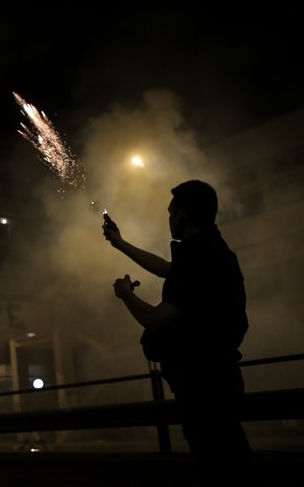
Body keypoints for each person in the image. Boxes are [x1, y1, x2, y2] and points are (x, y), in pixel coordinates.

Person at [103, 179, 253, 484]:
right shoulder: (211, 249)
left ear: (182, 216)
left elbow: (158, 321)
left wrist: (125, 295)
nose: (169, 218)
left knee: (220, 464)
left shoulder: (201, 259)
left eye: (171, 213)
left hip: (203, 382)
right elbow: (165, 268)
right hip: (217, 377)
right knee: (230, 458)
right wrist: (120, 243)